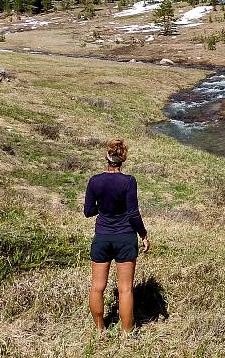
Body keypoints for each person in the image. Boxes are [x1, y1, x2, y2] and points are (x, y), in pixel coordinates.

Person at [84, 139, 150, 335]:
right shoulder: (128, 181)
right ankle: (127, 333)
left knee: (97, 287)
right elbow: (132, 213)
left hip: (102, 237)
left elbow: (88, 211)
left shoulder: (95, 181)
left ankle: (99, 329)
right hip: (126, 238)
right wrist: (144, 234)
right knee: (126, 289)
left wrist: (102, 207)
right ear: (123, 159)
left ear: (107, 157)